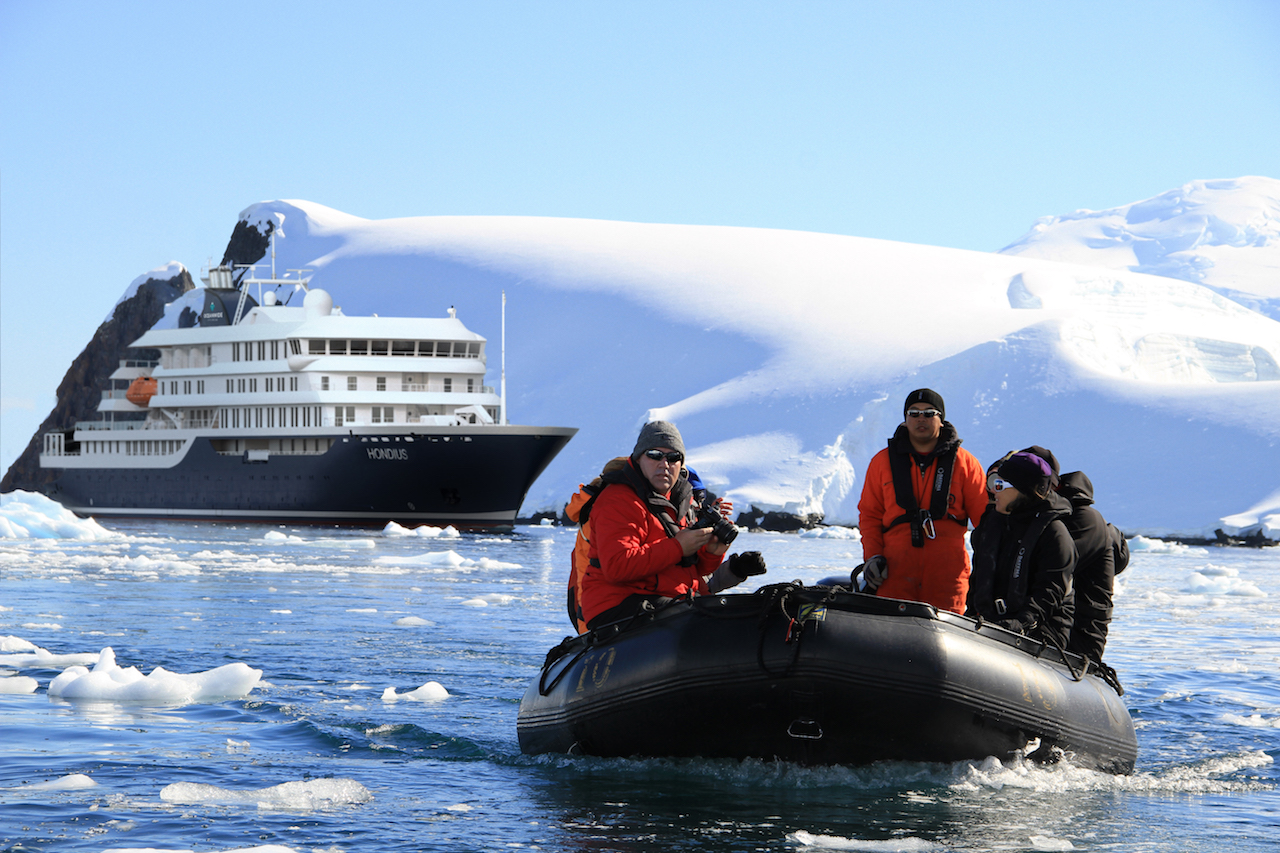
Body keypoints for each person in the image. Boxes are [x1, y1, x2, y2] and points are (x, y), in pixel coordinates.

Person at [579, 421, 766, 630]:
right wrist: (678, 547)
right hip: (619, 605)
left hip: (668, 601)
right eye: (654, 454)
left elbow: (691, 569)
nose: (664, 463)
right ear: (639, 458)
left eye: (673, 457)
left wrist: (711, 553)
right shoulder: (618, 500)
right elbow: (618, 567)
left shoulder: (681, 500)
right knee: (708, 625)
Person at [857, 389, 989, 613]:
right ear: (905, 418)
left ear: (941, 419)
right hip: (894, 577)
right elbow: (870, 515)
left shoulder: (966, 464)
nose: (921, 418)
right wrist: (873, 557)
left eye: (929, 413)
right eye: (914, 413)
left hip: (948, 579)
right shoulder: (881, 462)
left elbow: (986, 523)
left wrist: (991, 570)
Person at [565, 460, 736, 634]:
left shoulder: (662, 518)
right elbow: (623, 568)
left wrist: (731, 568)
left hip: (614, 614)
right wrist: (678, 547)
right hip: (604, 621)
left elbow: (682, 577)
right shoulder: (617, 510)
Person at [967, 450, 1076, 646]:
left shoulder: (1054, 535)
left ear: (1023, 490)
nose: (993, 491)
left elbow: (1049, 592)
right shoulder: (992, 525)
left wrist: (1021, 623)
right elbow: (978, 581)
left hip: (1039, 635)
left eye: (999, 485)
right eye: (993, 484)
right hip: (989, 626)